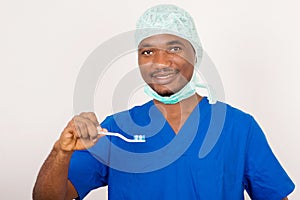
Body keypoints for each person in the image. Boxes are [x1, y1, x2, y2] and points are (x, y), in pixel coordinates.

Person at [32, 4, 295, 200]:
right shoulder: (115, 130)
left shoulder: (239, 128)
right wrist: (61, 152)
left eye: (174, 48)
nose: (160, 61)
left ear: (196, 53)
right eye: (148, 51)